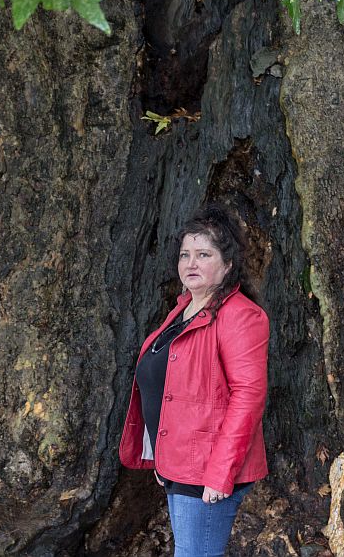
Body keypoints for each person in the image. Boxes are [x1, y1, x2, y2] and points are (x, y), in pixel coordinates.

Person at [119, 204, 270, 557]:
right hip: (180, 465)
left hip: (206, 469)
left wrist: (220, 472)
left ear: (228, 264)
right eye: (186, 254)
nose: (191, 263)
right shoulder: (184, 309)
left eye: (204, 254)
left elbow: (248, 396)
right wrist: (161, 456)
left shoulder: (241, 316)